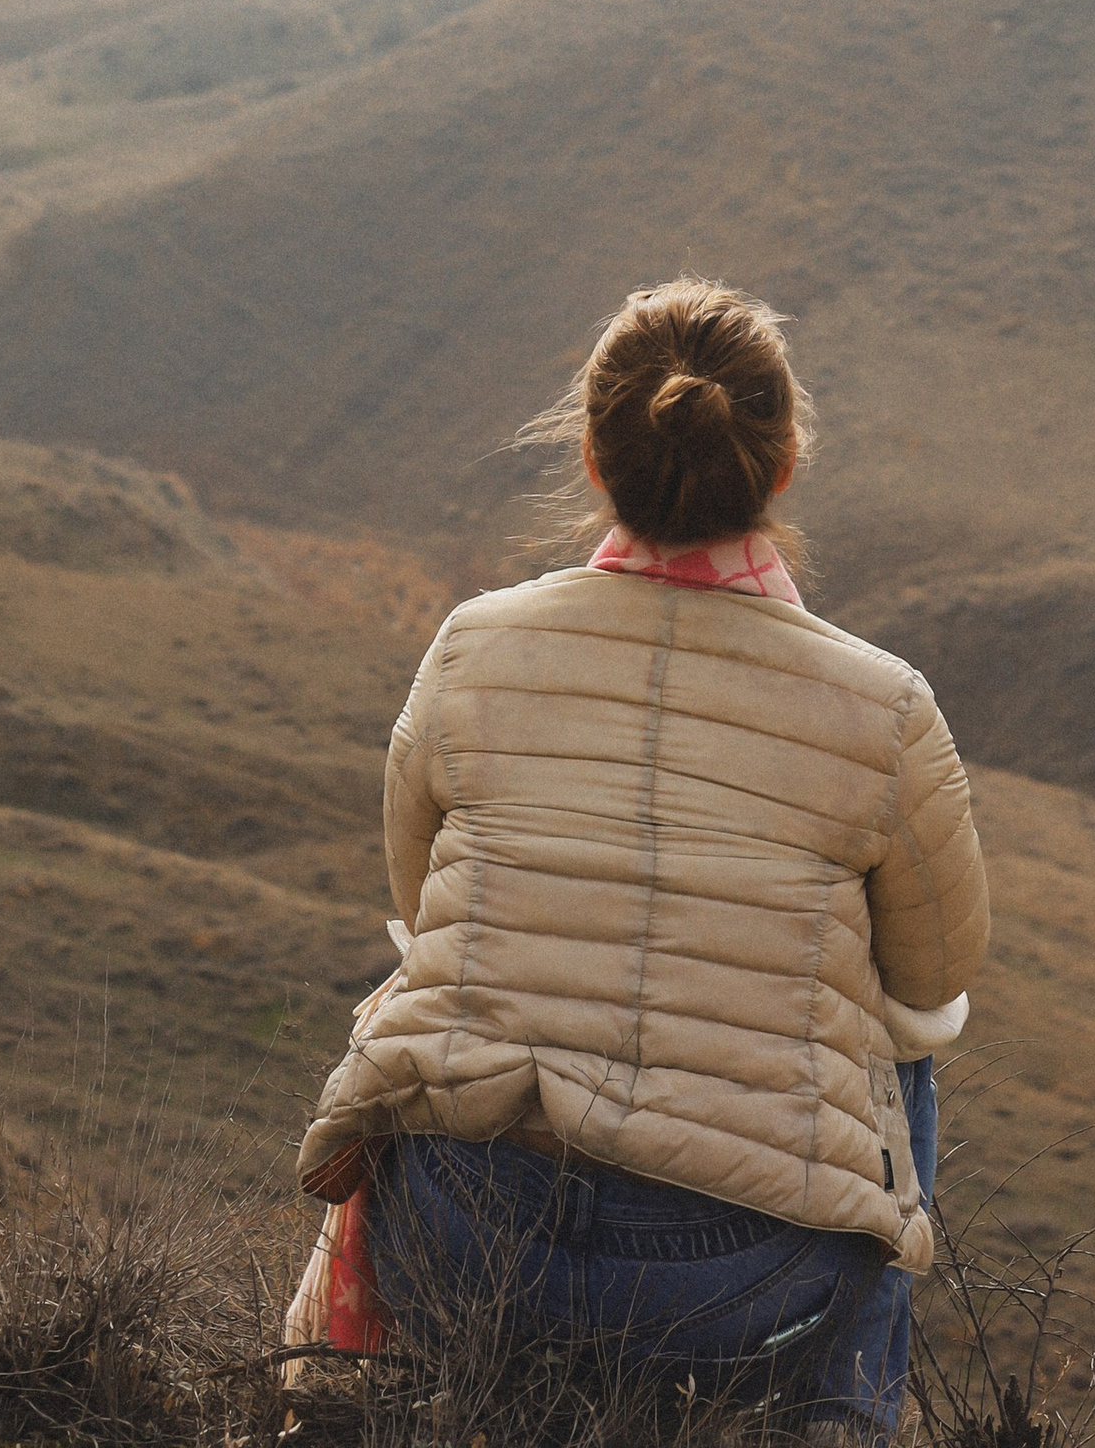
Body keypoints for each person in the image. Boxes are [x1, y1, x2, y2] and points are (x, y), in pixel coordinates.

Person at [297, 276, 989, 1433]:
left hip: (467, 1238)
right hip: (732, 1280)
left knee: (424, 980)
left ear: (590, 453)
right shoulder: (887, 709)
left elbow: (417, 901)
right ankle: (837, 1422)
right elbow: (935, 977)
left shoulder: (470, 649)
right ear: (780, 466)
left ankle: (353, 1399)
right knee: (897, 1051)